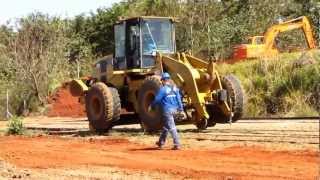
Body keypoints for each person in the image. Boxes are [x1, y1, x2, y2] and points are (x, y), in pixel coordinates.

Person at [151, 72, 185, 150]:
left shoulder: (163, 90)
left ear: (163, 80)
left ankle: (177, 144)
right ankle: (160, 142)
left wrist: (152, 106)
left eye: (162, 81)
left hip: (167, 111)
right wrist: (181, 110)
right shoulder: (175, 88)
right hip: (175, 110)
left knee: (172, 127)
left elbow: (157, 99)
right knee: (166, 126)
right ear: (169, 79)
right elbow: (179, 100)